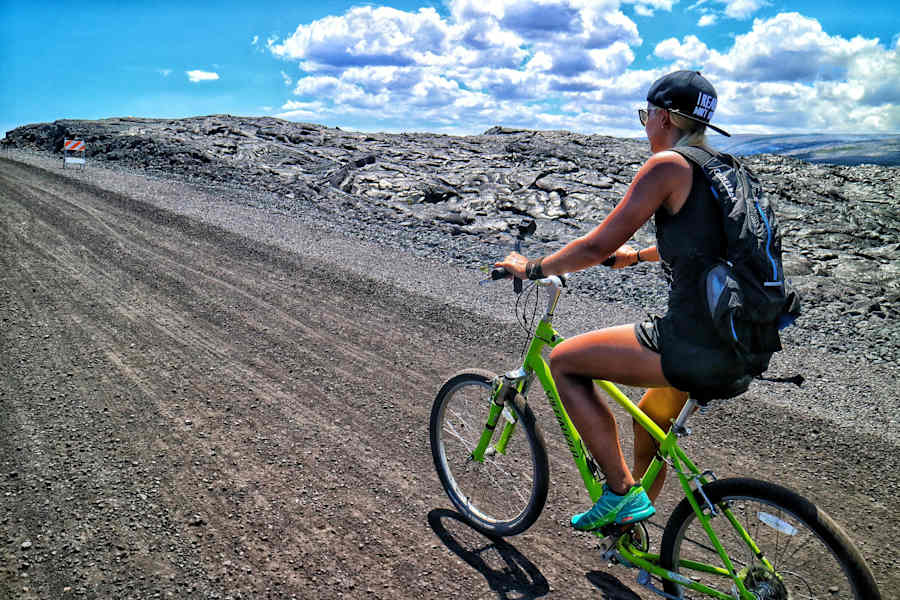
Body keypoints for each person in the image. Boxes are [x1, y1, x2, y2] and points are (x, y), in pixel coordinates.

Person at [495, 70, 744, 532]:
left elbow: (593, 246)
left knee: (567, 362)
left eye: (645, 115)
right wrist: (639, 258)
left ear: (664, 116)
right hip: (747, 336)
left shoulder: (668, 165)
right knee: (651, 419)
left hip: (699, 341)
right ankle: (634, 531)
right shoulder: (725, 166)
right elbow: (720, 245)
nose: (645, 125)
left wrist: (532, 268)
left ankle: (619, 495)